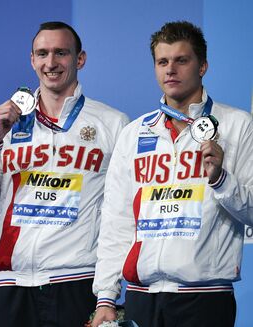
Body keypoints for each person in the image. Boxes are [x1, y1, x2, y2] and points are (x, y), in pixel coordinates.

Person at [0, 21, 129, 327]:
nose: (51, 63)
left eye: (61, 53)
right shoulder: (6, 123)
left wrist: (108, 293)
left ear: (80, 59)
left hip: (76, 282)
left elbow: (121, 218)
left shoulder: (112, 124)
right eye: (42, 53)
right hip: (10, 286)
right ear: (32, 60)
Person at [92, 21, 253, 327]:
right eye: (162, 62)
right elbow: (116, 220)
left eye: (182, 60)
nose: (171, 70)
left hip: (205, 297)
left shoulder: (238, 125)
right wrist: (106, 296)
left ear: (202, 65)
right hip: (142, 297)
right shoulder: (133, 134)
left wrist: (221, 179)